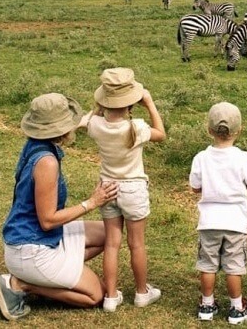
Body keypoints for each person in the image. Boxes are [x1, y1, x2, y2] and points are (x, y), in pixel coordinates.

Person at [0, 93, 119, 321]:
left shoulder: (35, 143)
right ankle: (22, 284)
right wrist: (92, 202)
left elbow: (79, 122)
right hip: (31, 249)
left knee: (109, 232)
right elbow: (48, 220)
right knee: (95, 295)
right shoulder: (46, 163)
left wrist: (102, 105)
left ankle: (56, 272)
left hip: (37, 238)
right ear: (60, 130)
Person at [79, 67, 166, 312]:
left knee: (112, 244)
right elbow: (161, 133)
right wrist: (149, 104)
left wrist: (98, 106)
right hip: (134, 189)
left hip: (107, 188)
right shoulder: (135, 126)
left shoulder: (95, 125)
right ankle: (141, 293)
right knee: (136, 244)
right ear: (132, 103)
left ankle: (110, 296)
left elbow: (83, 121)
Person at [189, 102, 247, 324]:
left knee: (208, 264)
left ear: (209, 129)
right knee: (234, 266)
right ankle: (237, 308)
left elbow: (194, 185)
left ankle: (207, 305)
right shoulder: (244, 158)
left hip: (209, 221)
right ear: (239, 130)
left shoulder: (201, 157)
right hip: (236, 222)